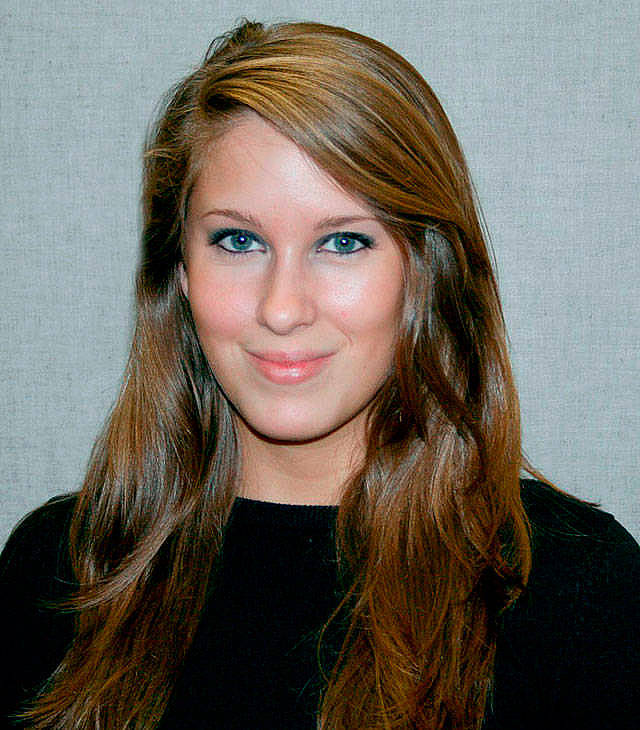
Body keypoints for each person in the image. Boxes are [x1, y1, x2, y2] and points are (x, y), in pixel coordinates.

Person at [1, 19, 638, 730]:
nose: (282, 308)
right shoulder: (57, 570)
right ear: (179, 271)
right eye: (238, 241)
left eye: (342, 242)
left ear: (426, 270)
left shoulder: (574, 589)